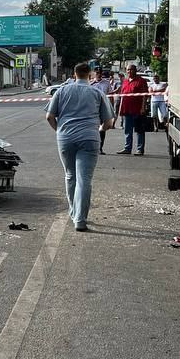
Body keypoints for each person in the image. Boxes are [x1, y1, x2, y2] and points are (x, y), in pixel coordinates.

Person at [46, 63, 115, 232]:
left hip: (65, 138)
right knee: (84, 179)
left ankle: (73, 212)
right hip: (89, 139)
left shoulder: (62, 91)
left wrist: (60, 131)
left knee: (70, 176)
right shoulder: (97, 93)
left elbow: (49, 116)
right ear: (89, 75)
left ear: (74, 74)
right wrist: (99, 130)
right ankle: (80, 220)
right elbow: (108, 122)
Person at [117, 63, 150, 155]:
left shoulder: (141, 81)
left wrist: (143, 107)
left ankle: (140, 149)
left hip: (138, 110)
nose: (129, 71)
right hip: (127, 110)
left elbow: (145, 95)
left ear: (136, 70)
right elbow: (123, 96)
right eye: (128, 70)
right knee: (127, 130)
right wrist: (120, 109)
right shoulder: (126, 81)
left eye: (131, 69)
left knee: (139, 130)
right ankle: (127, 148)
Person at [90, 67, 114, 154]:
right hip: (93, 109)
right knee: (93, 129)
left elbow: (110, 95)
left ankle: (100, 148)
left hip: (103, 108)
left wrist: (111, 107)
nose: (98, 74)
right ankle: (93, 147)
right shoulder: (91, 84)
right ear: (94, 73)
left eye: (100, 73)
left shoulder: (106, 83)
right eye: (97, 73)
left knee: (102, 129)